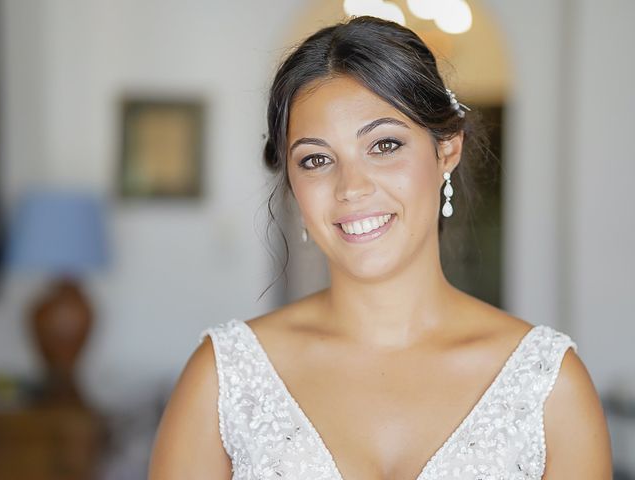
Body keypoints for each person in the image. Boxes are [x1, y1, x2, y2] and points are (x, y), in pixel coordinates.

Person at [148, 16, 612, 480]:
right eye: (316, 160)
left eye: (384, 145)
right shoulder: (223, 380)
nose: (351, 188)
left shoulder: (549, 388)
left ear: (446, 150)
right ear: (292, 184)